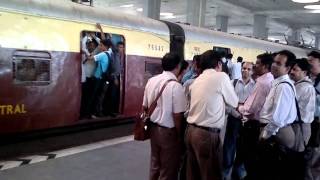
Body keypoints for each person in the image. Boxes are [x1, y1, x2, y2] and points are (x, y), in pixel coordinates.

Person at [186, 50, 239, 180]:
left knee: (194, 174)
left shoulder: (196, 81)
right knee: (211, 174)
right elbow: (234, 101)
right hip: (207, 135)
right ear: (219, 64)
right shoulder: (221, 77)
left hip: (191, 132)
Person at [143, 53, 187, 180]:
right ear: (178, 66)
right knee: (168, 169)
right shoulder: (175, 86)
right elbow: (177, 116)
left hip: (153, 129)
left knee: (155, 165)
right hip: (168, 133)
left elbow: (144, 106)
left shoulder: (152, 81)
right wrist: (179, 136)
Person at [259, 50, 298, 179]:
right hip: (274, 132)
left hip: (277, 134)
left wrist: (264, 135)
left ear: (287, 68)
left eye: (279, 63)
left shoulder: (283, 87)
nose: (274, 65)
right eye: (274, 62)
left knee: (271, 171)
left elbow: (278, 119)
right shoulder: (278, 84)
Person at [237, 53, 274, 179]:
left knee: (249, 157)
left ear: (265, 66)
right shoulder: (270, 79)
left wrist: (240, 107)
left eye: (257, 63)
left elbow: (252, 108)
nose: (255, 66)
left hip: (253, 125)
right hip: (260, 124)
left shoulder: (262, 83)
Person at [223, 62, 255, 180]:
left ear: (252, 71)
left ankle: (239, 169)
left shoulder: (255, 86)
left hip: (248, 120)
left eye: (248, 69)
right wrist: (237, 115)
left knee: (244, 146)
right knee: (229, 145)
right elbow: (227, 103)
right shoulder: (233, 83)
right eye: (243, 68)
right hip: (234, 118)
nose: (245, 70)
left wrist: (246, 116)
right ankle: (226, 170)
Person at [290, 58, 315, 145]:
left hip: (299, 127)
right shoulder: (303, 85)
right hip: (300, 125)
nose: (291, 72)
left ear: (304, 72)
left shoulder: (302, 87)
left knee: (293, 154)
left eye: (295, 70)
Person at [86, 39, 113, 118]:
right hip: (105, 79)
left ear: (105, 46)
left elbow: (89, 58)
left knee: (93, 96)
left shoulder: (102, 55)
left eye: (101, 45)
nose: (100, 47)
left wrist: (86, 51)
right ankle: (98, 112)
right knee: (101, 96)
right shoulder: (110, 52)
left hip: (98, 78)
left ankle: (91, 113)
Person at [306, 50, 320, 180]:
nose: (308, 63)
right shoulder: (307, 78)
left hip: (317, 123)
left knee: (314, 153)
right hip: (306, 122)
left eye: (311, 61)